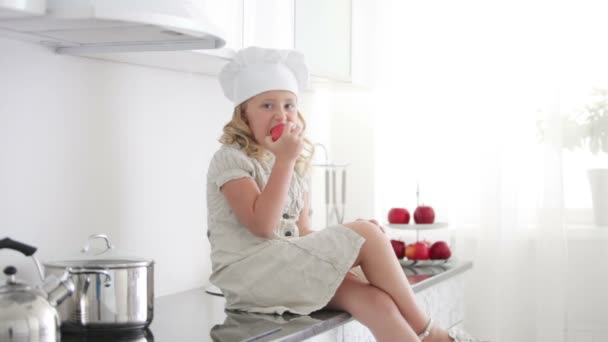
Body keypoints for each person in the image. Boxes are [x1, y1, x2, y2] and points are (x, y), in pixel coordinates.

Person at [206, 46, 478, 342]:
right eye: (267, 105)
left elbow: (303, 232)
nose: (281, 115)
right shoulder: (231, 159)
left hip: (284, 269)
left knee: (376, 301)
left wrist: (345, 245)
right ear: (243, 115)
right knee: (364, 235)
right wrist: (285, 161)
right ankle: (434, 335)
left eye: (289, 105)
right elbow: (263, 227)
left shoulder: (292, 164)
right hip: (252, 275)